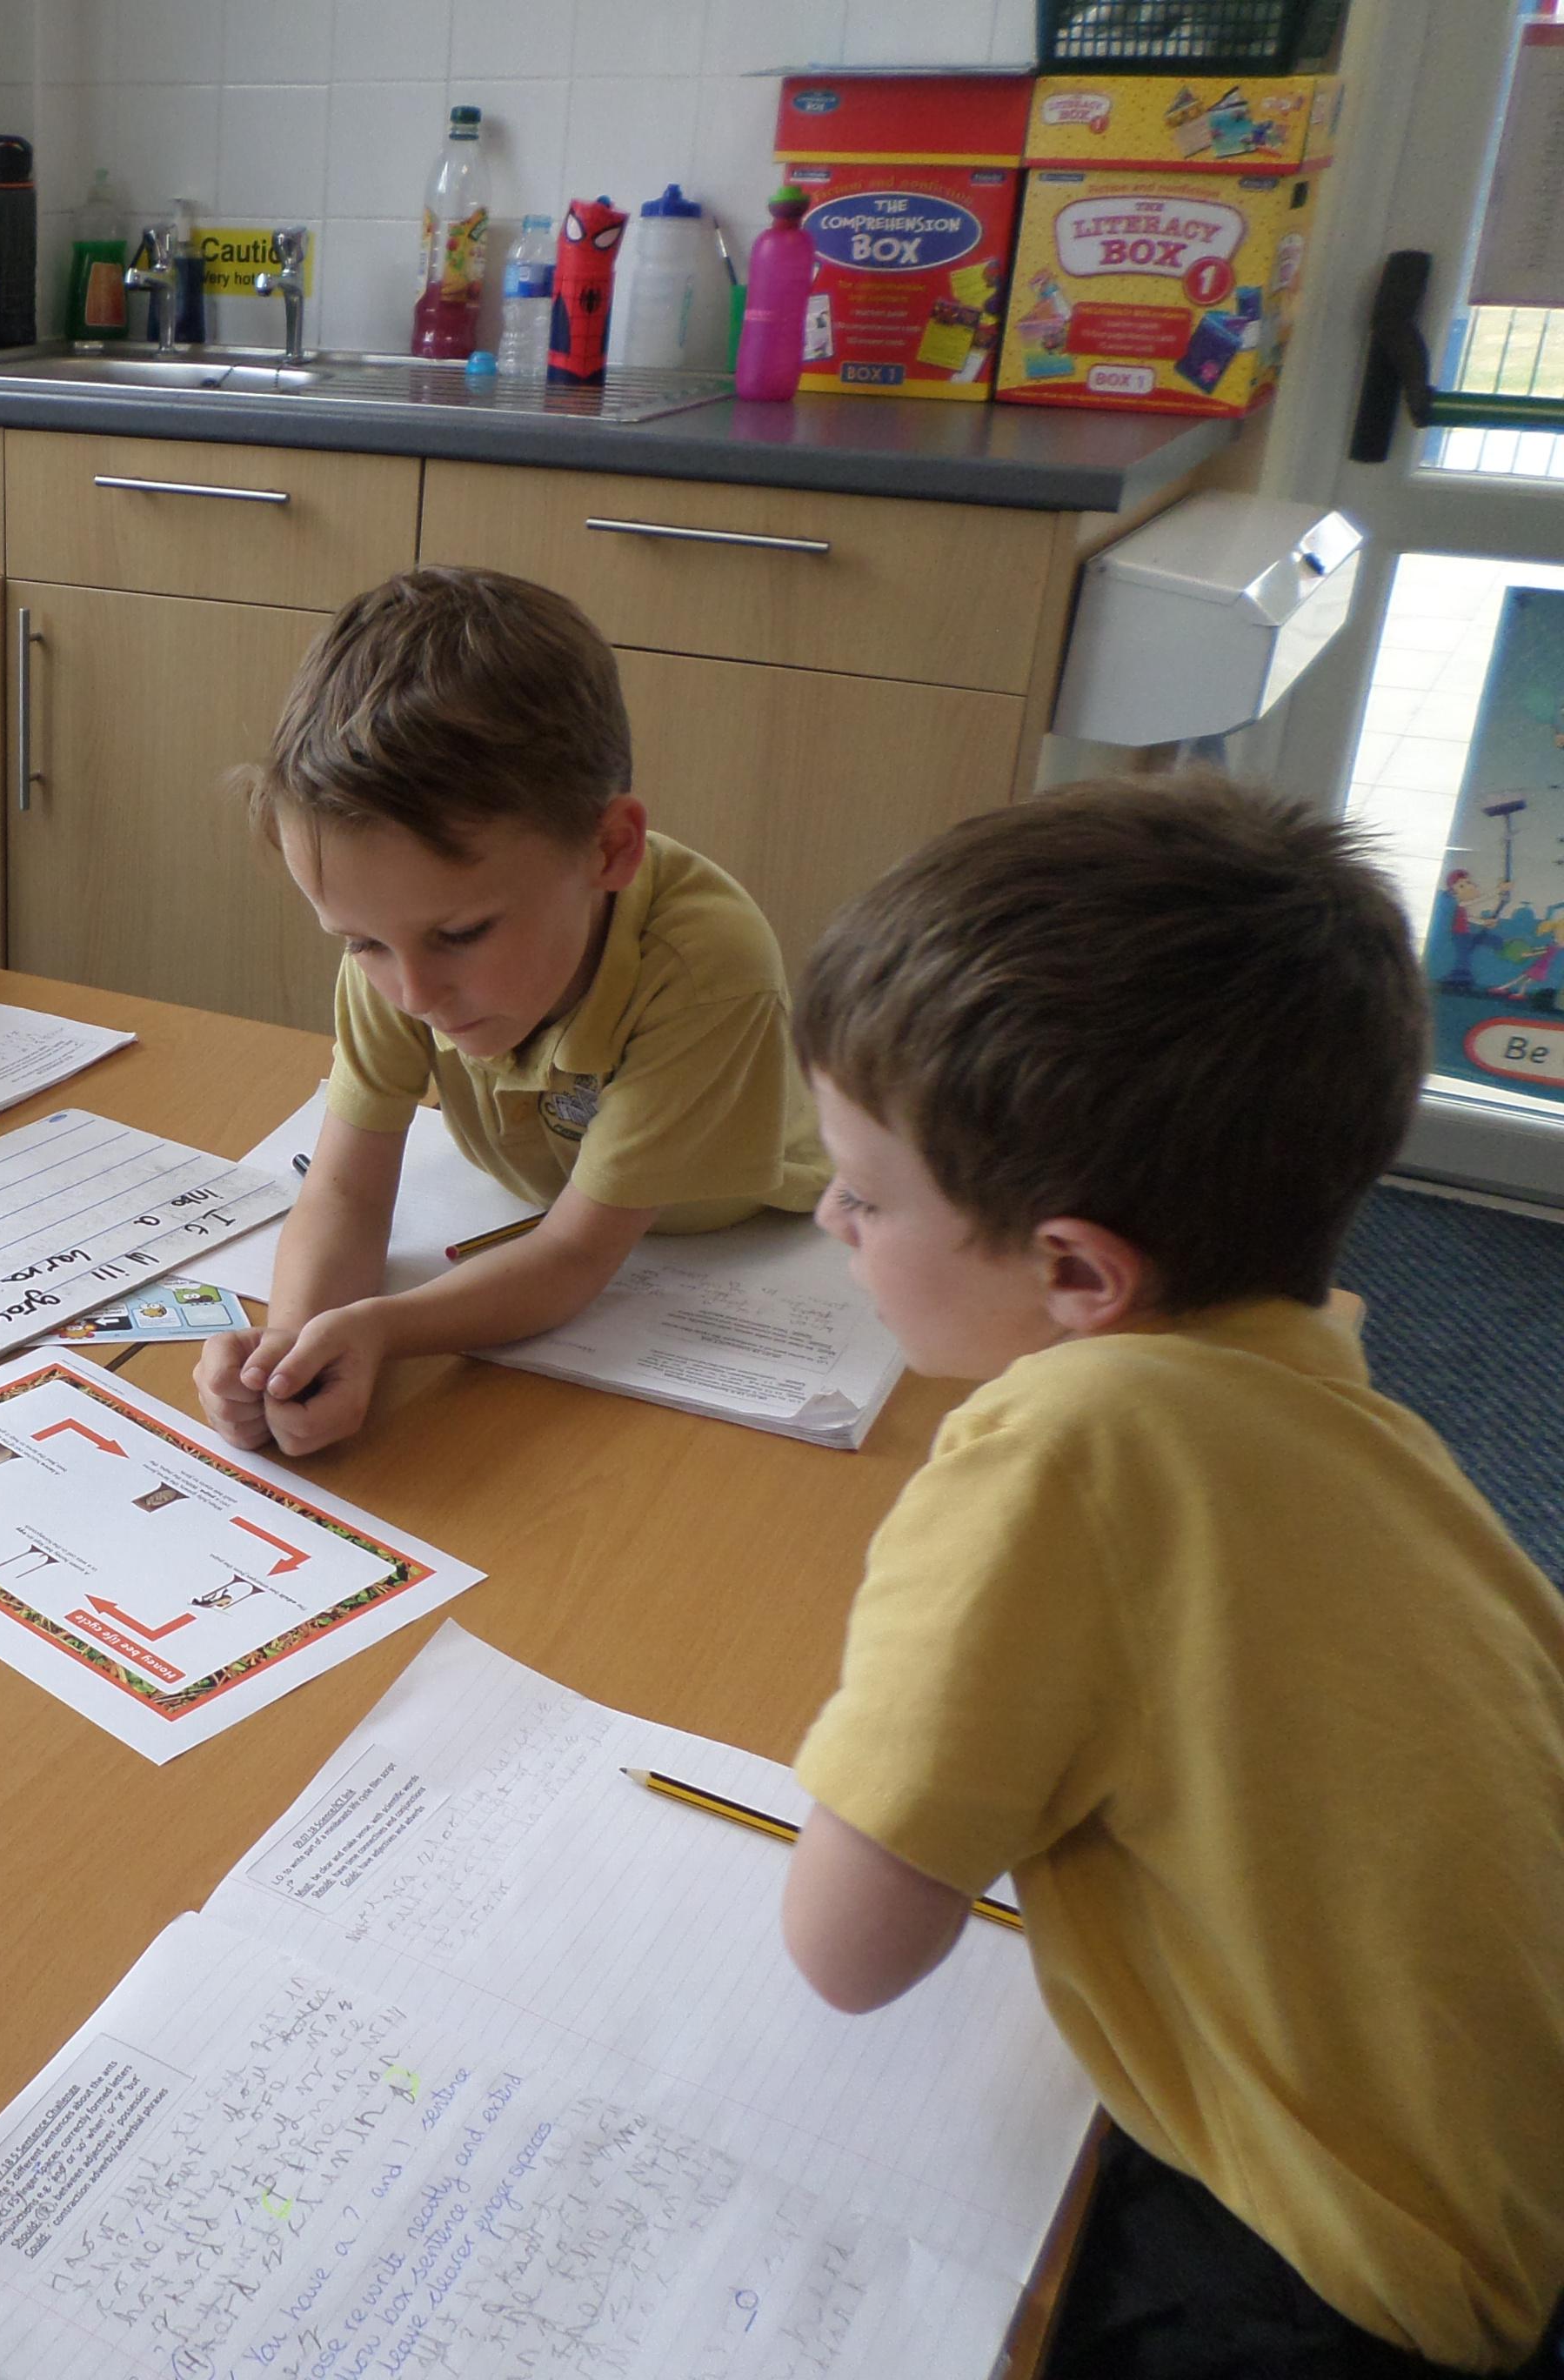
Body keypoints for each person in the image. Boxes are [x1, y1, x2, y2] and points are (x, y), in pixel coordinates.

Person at [780, 780, 1564, 2378]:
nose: (825, 1217)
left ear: (1074, 1271)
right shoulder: (1336, 1394)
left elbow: (843, 1956)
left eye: (864, 1193)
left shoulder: (1060, 1449)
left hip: (1362, 2283)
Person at [195, 565, 826, 1458]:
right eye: (361, 944)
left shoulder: (708, 966)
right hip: (544, 1201)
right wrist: (292, 1349)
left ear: (610, 849)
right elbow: (344, 1191)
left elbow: (575, 1255)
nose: (413, 995)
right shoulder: (403, 928)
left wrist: (381, 1331)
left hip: (740, 1244)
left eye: (462, 934)